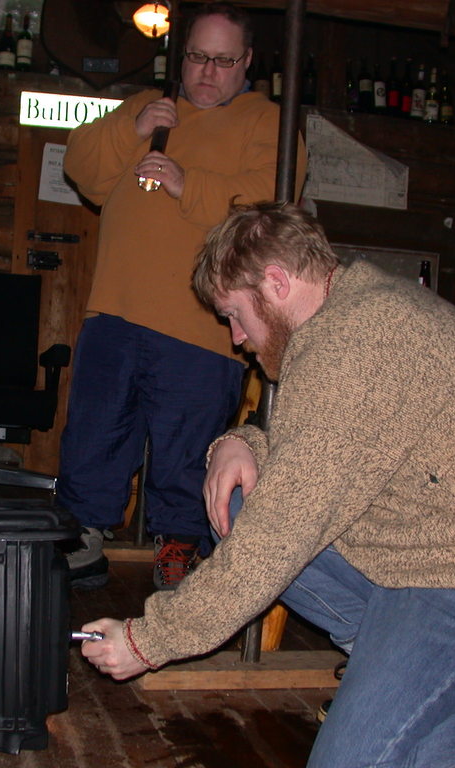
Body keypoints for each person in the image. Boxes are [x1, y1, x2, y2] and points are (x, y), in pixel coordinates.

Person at [80, 201, 455, 768]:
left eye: (234, 314)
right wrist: (240, 443)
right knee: (239, 494)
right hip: (425, 547)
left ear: (276, 282)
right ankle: (394, 669)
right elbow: (321, 443)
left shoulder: (358, 343)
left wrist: (148, 640)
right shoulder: (345, 313)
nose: (235, 338)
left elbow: (281, 534)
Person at [60, 3, 306, 590]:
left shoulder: (268, 121)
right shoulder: (148, 108)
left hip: (201, 326)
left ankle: (179, 550)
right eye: (198, 56)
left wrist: (184, 184)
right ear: (182, 55)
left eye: (224, 60)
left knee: (187, 449)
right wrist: (135, 127)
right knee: (95, 435)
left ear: (247, 62)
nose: (208, 71)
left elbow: (268, 206)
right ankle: (83, 538)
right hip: (115, 310)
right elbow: (82, 168)